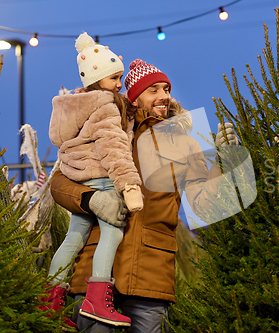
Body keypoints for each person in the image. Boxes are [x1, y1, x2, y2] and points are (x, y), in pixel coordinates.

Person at [50, 58, 238, 332]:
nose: (164, 96)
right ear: (134, 99)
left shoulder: (184, 142)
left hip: (150, 274)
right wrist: (91, 200)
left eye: (166, 89)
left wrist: (222, 161)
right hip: (95, 274)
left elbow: (205, 203)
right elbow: (59, 183)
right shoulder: (107, 128)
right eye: (154, 90)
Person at [44, 32, 144, 328]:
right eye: (114, 79)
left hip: (79, 179)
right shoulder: (105, 106)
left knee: (73, 239)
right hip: (102, 179)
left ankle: (50, 302)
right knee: (113, 232)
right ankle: (97, 299)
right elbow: (113, 147)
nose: (118, 84)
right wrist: (129, 185)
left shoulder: (78, 104)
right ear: (98, 79)